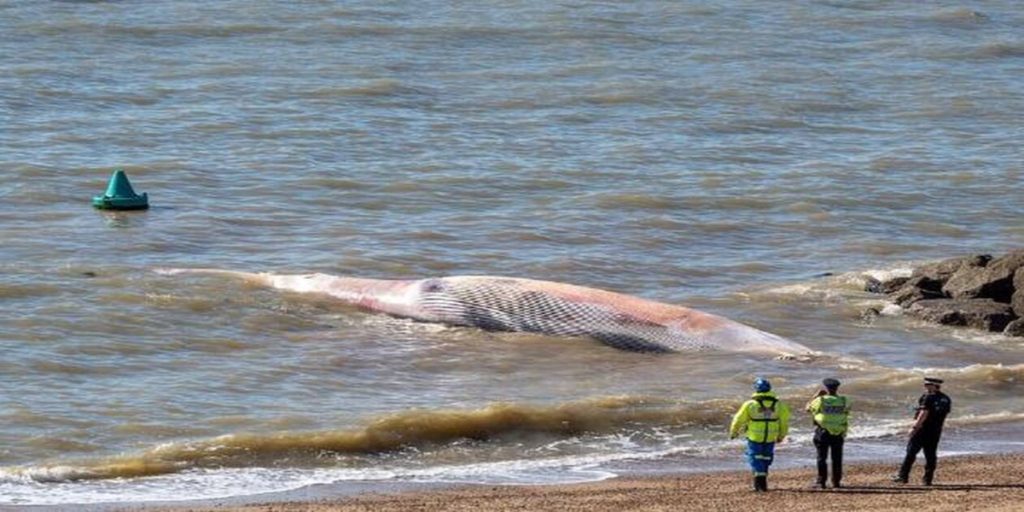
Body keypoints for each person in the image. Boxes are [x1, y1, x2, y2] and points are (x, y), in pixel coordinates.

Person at [730, 377, 790, 492]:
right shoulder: (779, 405)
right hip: (770, 437)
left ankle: (760, 485)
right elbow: (784, 422)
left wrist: (733, 432)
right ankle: (762, 482)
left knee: (755, 458)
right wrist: (782, 435)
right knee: (766, 458)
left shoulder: (750, 404)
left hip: (754, 437)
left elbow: (738, 419)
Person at [892, 377, 952, 485]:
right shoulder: (946, 398)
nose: (925, 386)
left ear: (934, 385)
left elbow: (924, 413)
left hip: (922, 429)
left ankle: (903, 476)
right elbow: (942, 415)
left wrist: (914, 428)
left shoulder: (928, 397)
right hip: (935, 430)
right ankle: (927, 479)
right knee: (930, 454)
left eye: (928, 384)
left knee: (911, 452)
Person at [805, 377, 850, 489]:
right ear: (837, 388)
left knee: (821, 457)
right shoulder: (844, 400)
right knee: (837, 458)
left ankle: (821, 482)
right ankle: (836, 482)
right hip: (838, 432)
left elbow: (807, 408)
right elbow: (846, 412)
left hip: (823, 432)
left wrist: (816, 396)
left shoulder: (821, 400)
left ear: (826, 388)